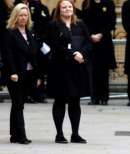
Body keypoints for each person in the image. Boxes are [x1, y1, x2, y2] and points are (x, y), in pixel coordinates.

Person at [46, 0, 91, 144]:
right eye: (64, 7)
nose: (67, 9)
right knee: (60, 100)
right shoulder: (53, 25)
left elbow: (88, 42)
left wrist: (82, 54)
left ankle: (75, 134)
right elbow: (55, 45)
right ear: (59, 10)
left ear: (73, 9)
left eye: (70, 6)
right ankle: (59, 134)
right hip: (60, 68)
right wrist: (72, 54)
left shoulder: (80, 24)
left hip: (77, 68)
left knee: (75, 101)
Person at [2, 3, 39, 144]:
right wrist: (12, 72)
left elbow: (34, 53)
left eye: (25, 15)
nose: (23, 18)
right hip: (15, 74)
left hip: (28, 73)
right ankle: (21, 135)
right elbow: (7, 54)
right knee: (18, 103)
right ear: (15, 16)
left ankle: (14, 135)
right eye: (20, 15)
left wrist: (38, 75)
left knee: (19, 104)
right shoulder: (10, 32)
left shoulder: (30, 32)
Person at [82, 0, 117, 105]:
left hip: (104, 42)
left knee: (104, 71)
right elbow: (84, 22)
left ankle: (104, 97)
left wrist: (101, 34)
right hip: (91, 42)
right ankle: (94, 97)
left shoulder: (109, 3)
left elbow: (111, 22)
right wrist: (91, 35)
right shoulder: (87, 3)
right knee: (93, 71)